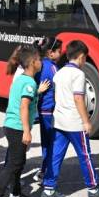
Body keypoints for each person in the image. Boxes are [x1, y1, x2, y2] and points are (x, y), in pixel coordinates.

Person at [41, 40, 99, 197]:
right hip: (74, 122)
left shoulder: (59, 73)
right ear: (80, 57)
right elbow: (79, 99)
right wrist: (86, 121)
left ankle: (48, 189)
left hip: (59, 121)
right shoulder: (79, 74)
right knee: (85, 155)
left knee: (55, 155)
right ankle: (93, 188)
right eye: (85, 58)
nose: (85, 61)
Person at [0, 45, 44, 197]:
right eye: (39, 60)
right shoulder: (28, 83)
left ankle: (15, 193)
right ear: (33, 62)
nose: (41, 62)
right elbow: (24, 107)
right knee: (14, 164)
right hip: (17, 127)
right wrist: (27, 131)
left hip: (11, 125)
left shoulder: (21, 79)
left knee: (19, 162)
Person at [35, 38, 61, 182]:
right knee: (51, 143)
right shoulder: (53, 68)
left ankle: (43, 169)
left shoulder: (39, 65)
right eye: (59, 51)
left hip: (41, 109)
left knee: (46, 143)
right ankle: (45, 171)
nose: (61, 53)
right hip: (49, 110)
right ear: (51, 53)